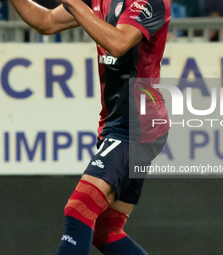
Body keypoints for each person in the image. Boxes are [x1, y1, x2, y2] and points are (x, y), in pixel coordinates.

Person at [9, 0, 171, 254]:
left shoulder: (149, 2)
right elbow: (46, 22)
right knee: (106, 230)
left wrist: (73, 2)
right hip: (117, 124)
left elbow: (118, 43)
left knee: (79, 209)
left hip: (137, 126)